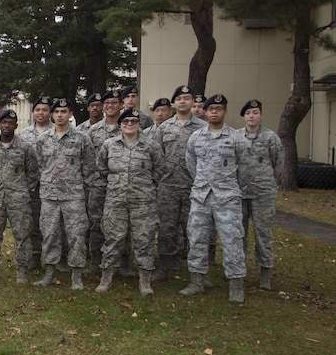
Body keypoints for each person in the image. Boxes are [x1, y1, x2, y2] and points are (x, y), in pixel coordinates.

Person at [180, 94, 248, 305]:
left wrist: (230, 186)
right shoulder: (196, 137)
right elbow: (191, 163)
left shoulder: (237, 138)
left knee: (232, 240)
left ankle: (236, 285)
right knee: (197, 238)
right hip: (201, 196)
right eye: (211, 109)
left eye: (219, 109)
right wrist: (203, 182)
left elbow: (245, 169)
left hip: (227, 198)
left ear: (225, 112)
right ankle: (197, 281)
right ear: (206, 112)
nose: (215, 112)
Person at [95, 109, 165, 295]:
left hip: (143, 202)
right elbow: (102, 170)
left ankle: (144, 281)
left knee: (144, 239)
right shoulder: (109, 145)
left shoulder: (151, 146)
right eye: (126, 121)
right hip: (115, 201)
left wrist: (144, 188)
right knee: (113, 238)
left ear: (139, 124)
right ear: (120, 124)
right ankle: (106, 277)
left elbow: (160, 171)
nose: (130, 124)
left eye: (134, 121)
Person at [34, 98, 96, 290]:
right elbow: (40, 165)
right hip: (50, 197)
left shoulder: (81, 138)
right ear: (52, 115)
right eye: (57, 112)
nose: (60, 115)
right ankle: (50, 273)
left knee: (76, 235)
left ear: (70, 114)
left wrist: (80, 189)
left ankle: (76, 275)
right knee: (50, 234)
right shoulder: (43, 139)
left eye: (64, 111)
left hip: (74, 196)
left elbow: (89, 167)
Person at [152, 86, 207, 282]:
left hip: (194, 187)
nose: (183, 101)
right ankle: (165, 266)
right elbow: (157, 158)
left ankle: (198, 271)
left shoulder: (202, 128)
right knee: (167, 229)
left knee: (196, 230)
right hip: (168, 188)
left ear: (193, 102)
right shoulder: (164, 128)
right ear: (174, 103)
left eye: (186, 98)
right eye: (179, 98)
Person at [0, 109, 39, 284]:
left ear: (15, 125)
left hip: (19, 199)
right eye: (4, 122)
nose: (7, 126)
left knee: (22, 235)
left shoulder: (25, 147)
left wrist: (21, 189)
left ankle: (22, 270)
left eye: (10, 123)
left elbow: (33, 172)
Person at [237, 99, 283, 291]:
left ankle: (265, 274)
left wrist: (272, 185)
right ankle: (239, 271)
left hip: (263, 193)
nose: (252, 116)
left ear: (261, 115)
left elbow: (278, 164)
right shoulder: (236, 137)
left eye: (255, 113)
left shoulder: (271, 137)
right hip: (240, 192)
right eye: (248, 113)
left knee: (263, 233)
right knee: (239, 234)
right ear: (244, 116)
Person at [87, 90, 132, 277]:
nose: (110, 106)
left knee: (124, 224)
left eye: (114, 102)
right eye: (107, 103)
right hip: (98, 185)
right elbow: (88, 159)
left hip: (123, 185)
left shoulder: (130, 127)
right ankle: (96, 261)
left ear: (121, 104)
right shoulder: (93, 131)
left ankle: (123, 263)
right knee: (97, 223)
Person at [18, 96, 54, 270]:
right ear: (33, 113)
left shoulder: (58, 132)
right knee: (31, 221)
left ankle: (54, 258)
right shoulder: (24, 135)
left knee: (52, 223)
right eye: (38, 110)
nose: (41, 113)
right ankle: (33, 256)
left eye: (45, 110)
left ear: (50, 113)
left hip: (54, 186)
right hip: (30, 186)